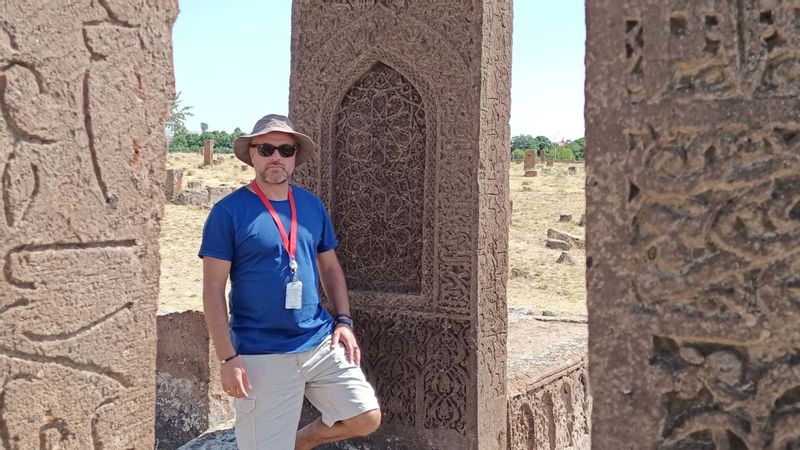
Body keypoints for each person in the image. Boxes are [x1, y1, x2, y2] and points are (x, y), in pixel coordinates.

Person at [199, 114, 381, 450]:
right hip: (261, 352)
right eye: (266, 148)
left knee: (365, 417)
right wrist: (227, 359)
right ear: (252, 154)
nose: (276, 157)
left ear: (295, 156)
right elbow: (212, 291)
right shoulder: (228, 212)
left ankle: (302, 441)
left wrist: (344, 321)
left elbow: (330, 268)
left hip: (318, 342)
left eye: (286, 149)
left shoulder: (311, 205)